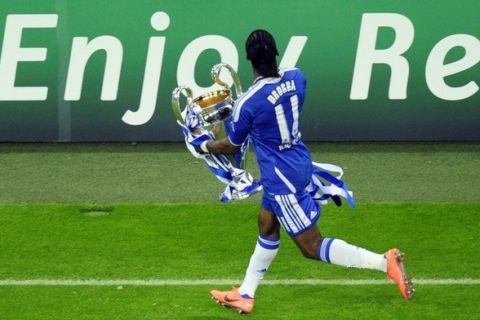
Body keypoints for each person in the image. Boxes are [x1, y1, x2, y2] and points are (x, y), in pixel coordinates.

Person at [189, 29, 414, 314]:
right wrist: (240, 111)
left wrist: (203, 145)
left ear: (249, 59)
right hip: (297, 160)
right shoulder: (297, 77)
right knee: (267, 224)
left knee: (311, 246)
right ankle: (246, 293)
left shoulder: (249, 102)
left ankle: (385, 261)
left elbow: (233, 146)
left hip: (281, 178)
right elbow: (269, 107)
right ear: (276, 53)